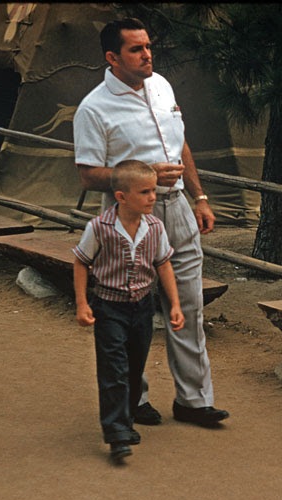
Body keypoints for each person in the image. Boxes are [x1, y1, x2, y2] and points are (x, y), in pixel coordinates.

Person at [74, 18, 228, 427]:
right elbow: (88, 175)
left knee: (189, 305)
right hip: (129, 216)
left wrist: (199, 197)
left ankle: (194, 401)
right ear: (112, 57)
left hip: (177, 208)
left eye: (148, 47)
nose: (147, 55)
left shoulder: (161, 85)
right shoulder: (94, 108)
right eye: (136, 49)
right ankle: (133, 399)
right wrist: (143, 176)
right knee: (131, 308)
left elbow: (180, 144)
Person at [73, 160, 184, 461]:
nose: (152, 197)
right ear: (121, 197)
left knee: (135, 367)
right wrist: (82, 303)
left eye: (154, 190)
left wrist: (174, 304)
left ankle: (127, 418)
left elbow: (163, 264)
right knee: (114, 369)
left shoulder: (155, 227)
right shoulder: (99, 227)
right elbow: (81, 262)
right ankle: (116, 433)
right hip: (109, 307)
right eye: (145, 192)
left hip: (142, 307)